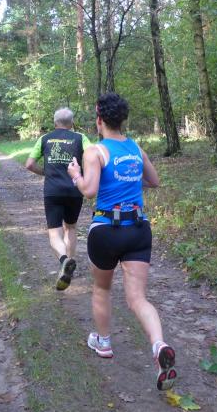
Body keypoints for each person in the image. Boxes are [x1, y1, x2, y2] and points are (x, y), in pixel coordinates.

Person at [67, 92, 176, 391]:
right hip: (138, 228)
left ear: (99, 120)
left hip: (106, 230)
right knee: (138, 298)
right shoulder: (135, 148)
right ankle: (158, 345)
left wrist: (75, 174)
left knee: (102, 288)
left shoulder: (95, 151)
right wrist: (128, 180)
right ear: (122, 120)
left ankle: (103, 342)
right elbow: (154, 181)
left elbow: (89, 190)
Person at [25, 108, 92, 291]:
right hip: (74, 189)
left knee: (54, 232)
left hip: (52, 190)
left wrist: (45, 172)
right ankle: (69, 263)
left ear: (55, 122)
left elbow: (29, 164)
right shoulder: (80, 138)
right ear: (72, 123)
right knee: (70, 227)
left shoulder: (45, 138)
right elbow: (92, 158)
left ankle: (64, 261)